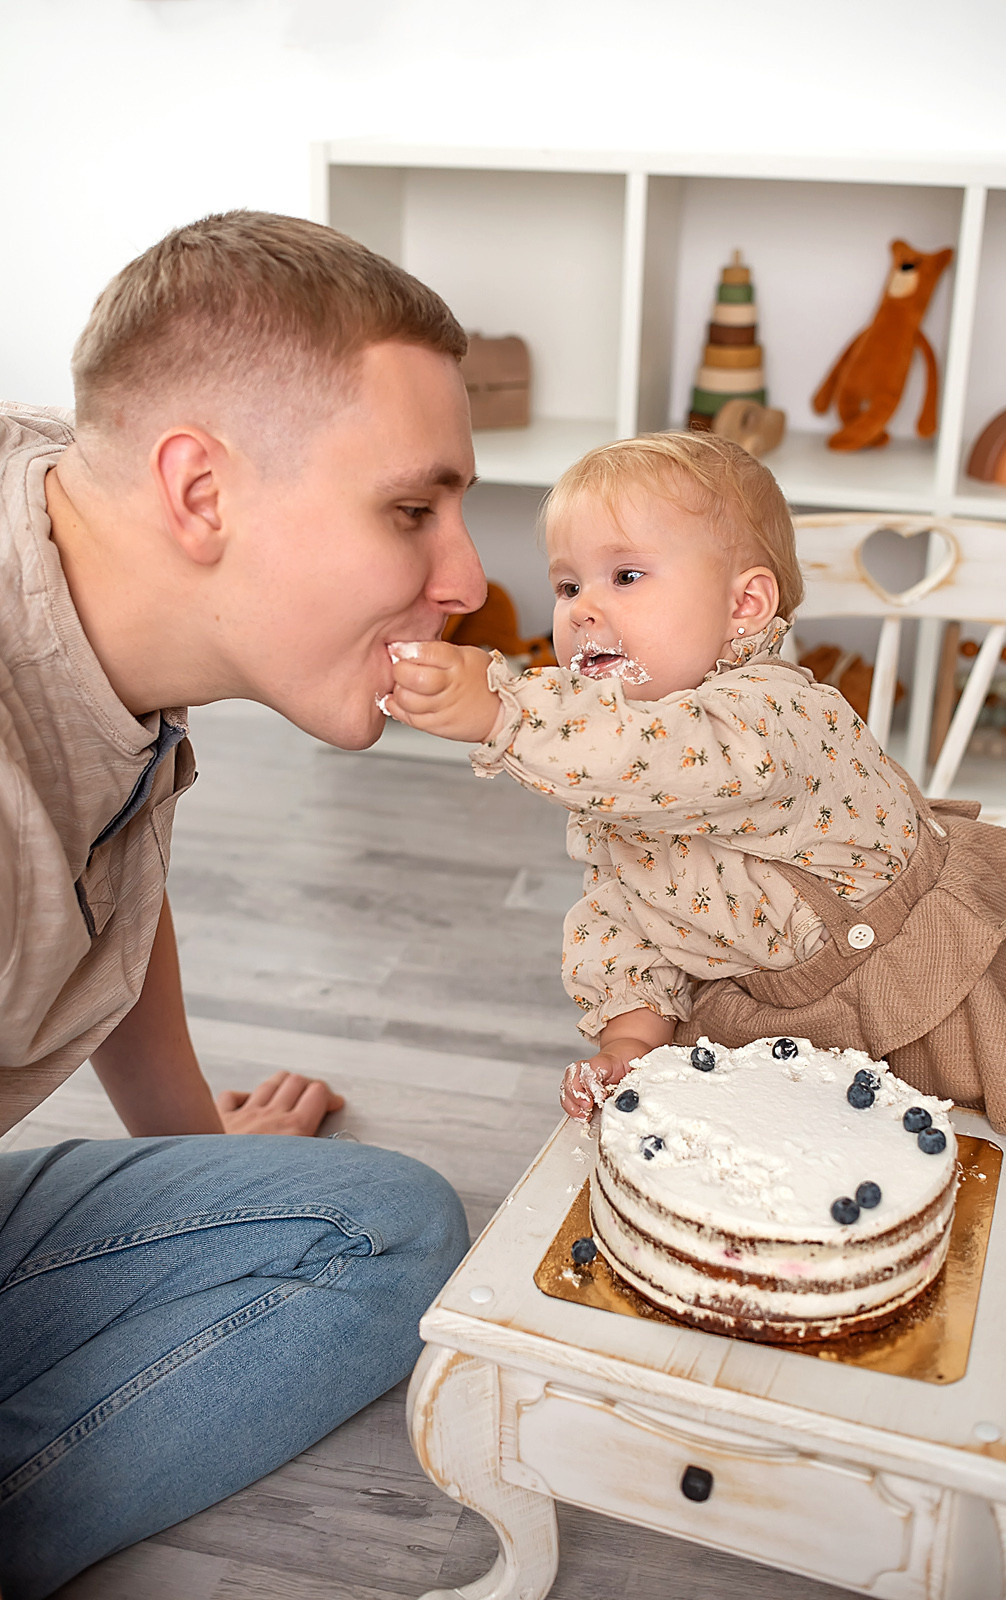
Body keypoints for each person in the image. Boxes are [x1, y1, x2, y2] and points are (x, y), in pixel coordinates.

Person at [0, 212, 485, 1599]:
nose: (462, 576)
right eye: (412, 509)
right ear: (201, 493)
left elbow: (115, 843)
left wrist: (183, 1144)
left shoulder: (85, 527)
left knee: (382, 1225)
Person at [386, 430, 1006, 1136]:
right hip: (769, 1005)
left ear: (743, 606)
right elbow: (625, 915)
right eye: (567, 585)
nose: (581, 609)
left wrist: (507, 711)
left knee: (920, 1172)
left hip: (911, 988)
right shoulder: (621, 781)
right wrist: (626, 1039)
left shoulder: (771, 713)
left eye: (623, 577)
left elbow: (665, 754)